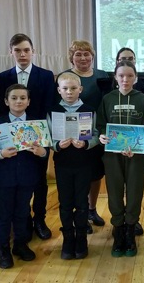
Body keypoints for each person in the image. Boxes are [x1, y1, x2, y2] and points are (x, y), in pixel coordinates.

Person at [0, 33, 56, 241]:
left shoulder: (46, 75)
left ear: (33, 51)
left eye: (26, 50)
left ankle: (39, 219)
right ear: (11, 52)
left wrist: (43, 137)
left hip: (37, 136)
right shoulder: (4, 76)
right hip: (12, 137)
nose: (22, 54)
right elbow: (2, 107)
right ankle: (22, 223)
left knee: (39, 181)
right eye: (17, 50)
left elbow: (49, 107)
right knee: (17, 178)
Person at [0, 84, 47, 269]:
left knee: (22, 212)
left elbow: (47, 149)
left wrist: (42, 152)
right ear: (6, 101)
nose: (18, 101)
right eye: (14, 98)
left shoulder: (38, 124)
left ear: (28, 102)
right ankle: (2, 248)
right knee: (4, 215)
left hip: (28, 177)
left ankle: (20, 244)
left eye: (22, 98)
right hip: (5, 178)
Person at [98, 60, 144, 257]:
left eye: (129, 76)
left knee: (135, 192)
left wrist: (138, 147)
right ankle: (118, 231)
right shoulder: (108, 99)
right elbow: (101, 124)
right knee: (114, 192)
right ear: (115, 77)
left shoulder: (143, 99)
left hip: (135, 155)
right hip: (112, 155)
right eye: (121, 75)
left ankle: (130, 232)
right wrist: (103, 135)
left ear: (135, 78)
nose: (125, 79)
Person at [57, 40, 109, 235]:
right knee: (78, 177)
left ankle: (91, 210)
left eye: (87, 54)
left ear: (92, 56)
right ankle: (79, 213)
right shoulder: (65, 77)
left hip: (95, 134)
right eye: (78, 54)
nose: (83, 58)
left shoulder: (102, 75)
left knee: (95, 174)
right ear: (72, 57)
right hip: (70, 136)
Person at [49, 73, 100, 260]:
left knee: (81, 203)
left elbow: (95, 134)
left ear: (80, 89)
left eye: (73, 88)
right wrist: (56, 145)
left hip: (84, 163)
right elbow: (48, 136)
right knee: (65, 203)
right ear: (59, 90)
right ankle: (67, 239)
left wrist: (86, 144)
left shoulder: (89, 110)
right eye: (65, 89)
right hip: (63, 164)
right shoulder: (53, 111)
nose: (69, 92)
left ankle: (81, 239)